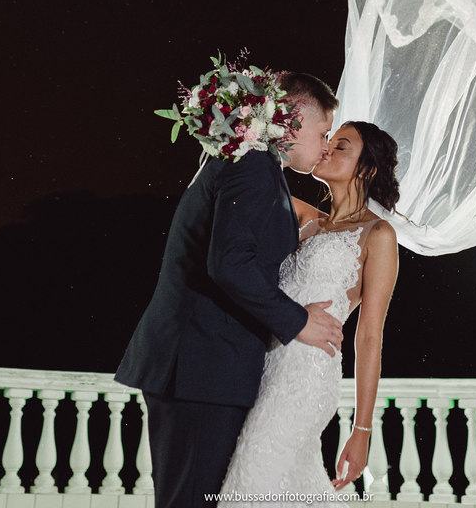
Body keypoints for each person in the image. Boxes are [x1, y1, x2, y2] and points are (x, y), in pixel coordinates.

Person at [115, 69, 344, 508]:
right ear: (294, 121)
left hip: (201, 367)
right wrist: (298, 321)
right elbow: (229, 264)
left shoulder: (248, 163)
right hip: (202, 368)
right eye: (323, 132)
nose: (325, 145)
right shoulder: (254, 166)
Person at [220, 120, 401, 498]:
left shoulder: (378, 234)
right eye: (328, 140)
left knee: (251, 480)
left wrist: (362, 431)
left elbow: (369, 337)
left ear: (367, 169)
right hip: (265, 369)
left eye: (341, 146)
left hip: (307, 377)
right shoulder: (303, 217)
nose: (327, 148)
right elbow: (250, 177)